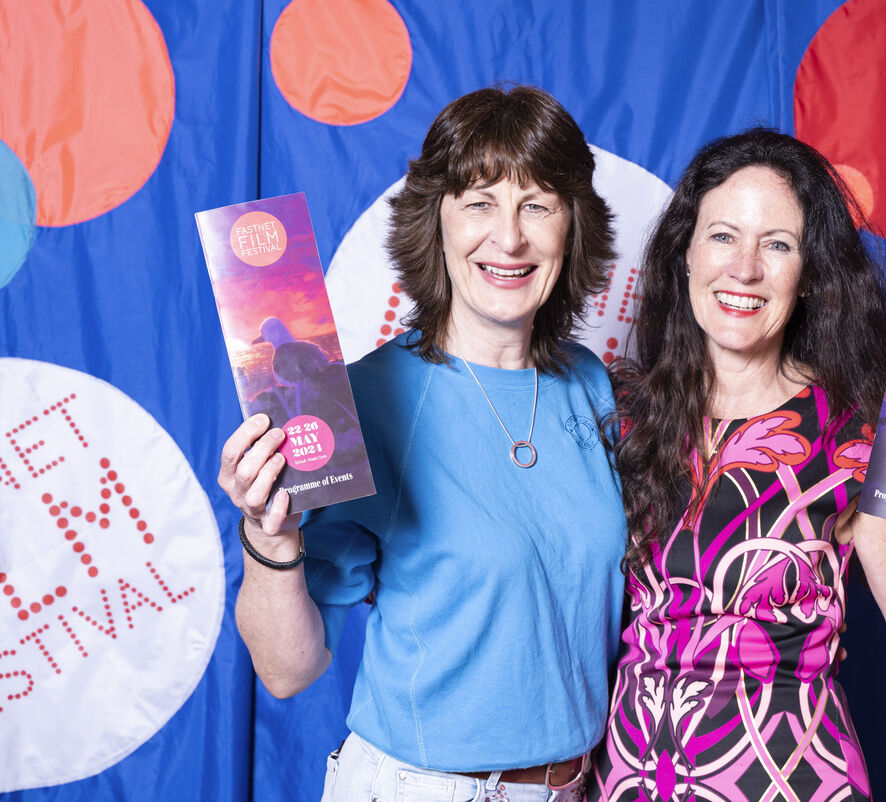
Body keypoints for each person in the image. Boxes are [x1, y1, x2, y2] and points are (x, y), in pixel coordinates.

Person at [219, 85, 627, 802]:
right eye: (478, 203)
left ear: (573, 228)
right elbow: (288, 670)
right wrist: (267, 536)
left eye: (538, 204)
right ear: (433, 223)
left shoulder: (590, 385)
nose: (509, 237)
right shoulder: (362, 401)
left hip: (578, 787)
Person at [588, 129, 886, 800]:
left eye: (777, 244)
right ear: (683, 252)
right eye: (722, 236)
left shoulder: (860, 435)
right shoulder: (618, 412)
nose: (744, 268)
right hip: (630, 780)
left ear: (809, 277)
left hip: (790, 780)